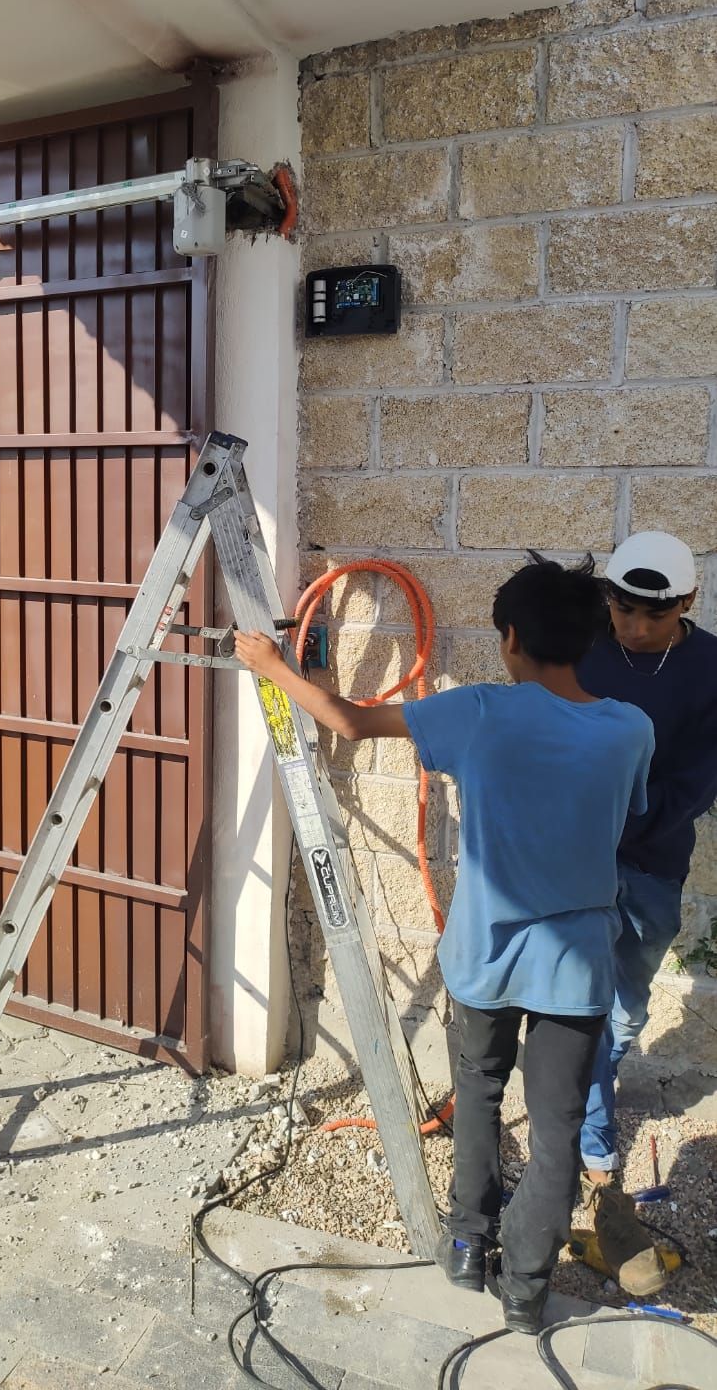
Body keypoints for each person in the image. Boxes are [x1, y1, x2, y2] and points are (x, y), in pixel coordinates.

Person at [234, 555, 653, 1334]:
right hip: (575, 967)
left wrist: (269, 665)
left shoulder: (479, 711)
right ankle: (525, 1289)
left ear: (510, 638)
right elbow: (625, 816)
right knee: (556, 1127)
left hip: (480, 957)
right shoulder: (630, 728)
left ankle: (466, 1243)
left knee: (479, 1091)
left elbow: (349, 720)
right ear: (589, 640)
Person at [575, 531, 717, 1295]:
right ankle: (596, 1156)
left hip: (654, 860)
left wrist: (630, 819)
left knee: (626, 1007)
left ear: (685, 603)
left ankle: (584, 1090)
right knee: (586, 1007)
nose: (631, 629)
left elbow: (698, 777)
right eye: (621, 610)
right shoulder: (584, 648)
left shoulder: (709, 666)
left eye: (650, 617)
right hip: (576, 858)